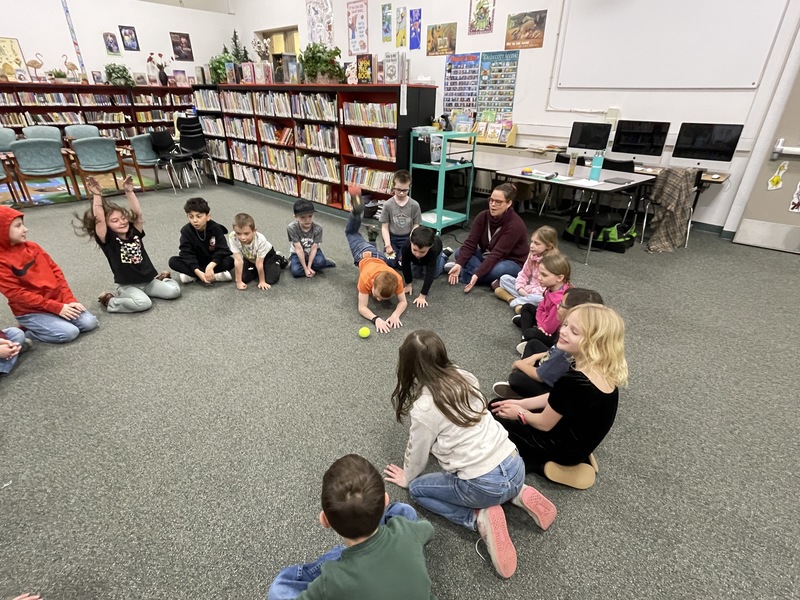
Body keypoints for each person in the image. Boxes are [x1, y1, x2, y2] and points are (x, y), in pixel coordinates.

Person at [384, 330, 556, 579]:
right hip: (515, 463)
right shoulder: (465, 376)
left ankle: (477, 517)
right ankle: (518, 491)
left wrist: (408, 477)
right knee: (498, 476)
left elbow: (417, 452)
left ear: (409, 367)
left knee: (418, 491)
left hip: (483, 484)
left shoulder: (423, 408)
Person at [491, 304, 628, 489]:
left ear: (594, 342)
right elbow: (554, 398)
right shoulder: (599, 370)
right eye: (565, 325)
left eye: (574, 331)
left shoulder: (573, 380)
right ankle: (578, 459)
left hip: (560, 448)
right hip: (578, 440)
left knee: (494, 415)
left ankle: (545, 465)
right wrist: (521, 403)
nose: (563, 332)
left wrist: (519, 413)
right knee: (504, 405)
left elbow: (543, 423)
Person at [267, 454, 434, 600]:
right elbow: (428, 530)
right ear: (385, 500)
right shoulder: (407, 530)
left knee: (278, 590)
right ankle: (368, 545)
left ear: (325, 520)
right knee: (404, 511)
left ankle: (348, 553)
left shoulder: (332, 580)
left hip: (345, 578)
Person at [77, 176, 180, 313]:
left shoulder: (135, 233)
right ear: (107, 226)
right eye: (115, 220)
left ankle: (163, 280)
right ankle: (110, 301)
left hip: (149, 281)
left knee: (174, 292)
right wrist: (97, 194)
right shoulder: (108, 240)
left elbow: (138, 214)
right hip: (128, 285)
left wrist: (129, 192)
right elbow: (99, 219)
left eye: (123, 218)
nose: (122, 222)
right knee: (143, 303)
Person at [0, 206, 97, 342]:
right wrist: (56, 308)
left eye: (23, 224)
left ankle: (51, 321)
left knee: (90, 323)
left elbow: (57, 272)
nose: (25, 229)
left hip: (58, 301)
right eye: (18, 226)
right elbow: (16, 294)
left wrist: (69, 299)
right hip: (31, 311)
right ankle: (29, 331)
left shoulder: (33, 247)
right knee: (69, 333)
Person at [492, 288, 604, 400]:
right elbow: (553, 350)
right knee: (533, 344)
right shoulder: (586, 338)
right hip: (554, 370)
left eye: (561, 304)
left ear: (573, 311)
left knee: (517, 378)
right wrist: (536, 356)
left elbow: (540, 376)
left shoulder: (566, 348)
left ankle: (520, 392)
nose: (557, 306)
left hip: (552, 391)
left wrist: (519, 364)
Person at [346, 186, 407, 334]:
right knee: (351, 232)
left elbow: (404, 302)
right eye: (378, 296)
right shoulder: (366, 279)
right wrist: (376, 319)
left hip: (380, 259)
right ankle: (357, 211)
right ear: (372, 283)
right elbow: (362, 308)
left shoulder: (397, 279)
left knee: (384, 257)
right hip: (364, 254)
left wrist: (395, 314)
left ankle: (373, 237)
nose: (378, 300)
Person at [446, 183, 529, 293]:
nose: (493, 205)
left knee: (499, 269)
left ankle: (466, 275)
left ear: (509, 203)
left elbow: (497, 254)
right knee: (459, 252)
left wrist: (477, 274)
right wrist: (459, 263)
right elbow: (470, 243)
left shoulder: (515, 224)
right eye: (491, 200)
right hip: (487, 255)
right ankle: (488, 278)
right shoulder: (482, 216)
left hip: (511, 261)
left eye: (498, 202)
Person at [168, 197, 234, 284]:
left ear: (208, 217)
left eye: (199, 216)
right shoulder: (186, 231)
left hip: (213, 262)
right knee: (173, 261)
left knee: (230, 261)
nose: (195, 220)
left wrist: (210, 266)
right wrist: (197, 271)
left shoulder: (216, 229)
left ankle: (192, 276)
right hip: (197, 262)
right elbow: (186, 253)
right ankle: (215, 276)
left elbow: (223, 250)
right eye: (191, 217)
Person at [494, 225, 559, 311]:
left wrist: (527, 291)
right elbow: (523, 273)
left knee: (540, 299)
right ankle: (523, 301)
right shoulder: (532, 255)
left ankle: (512, 300)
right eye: (532, 242)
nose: (531, 246)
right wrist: (520, 287)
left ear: (549, 246)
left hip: (540, 293)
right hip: (527, 290)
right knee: (504, 278)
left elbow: (546, 288)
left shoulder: (552, 262)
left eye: (537, 243)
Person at [515, 253, 573, 347]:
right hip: (544, 321)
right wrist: (540, 325)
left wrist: (541, 327)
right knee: (527, 307)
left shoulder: (559, 302)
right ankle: (526, 329)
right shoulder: (551, 288)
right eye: (539, 273)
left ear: (559, 278)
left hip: (554, 334)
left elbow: (549, 329)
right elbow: (540, 308)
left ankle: (525, 336)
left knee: (530, 333)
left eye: (544, 275)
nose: (539, 277)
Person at [229, 213, 284, 291]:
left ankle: (278, 259)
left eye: (246, 233)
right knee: (243, 278)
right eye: (238, 233)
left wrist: (262, 281)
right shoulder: (232, 237)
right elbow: (238, 260)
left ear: (254, 230)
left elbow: (259, 263)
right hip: (249, 257)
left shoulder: (260, 239)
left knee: (270, 280)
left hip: (267, 256)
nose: (242, 238)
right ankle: (256, 270)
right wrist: (239, 281)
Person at [400, 226, 449, 308]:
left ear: (429, 247)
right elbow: (405, 265)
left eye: (422, 251)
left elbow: (430, 273)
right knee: (415, 274)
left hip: (434, 255)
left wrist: (422, 295)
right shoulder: (405, 246)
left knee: (435, 274)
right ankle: (422, 257)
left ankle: (444, 255)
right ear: (411, 242)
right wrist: (408, 284)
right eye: (415, 250)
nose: (418, 254)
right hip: (417, 259)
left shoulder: (434, 249)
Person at [380, 170, 421, 266]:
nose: (401, 193)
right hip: (392, 238)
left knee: (403, 264)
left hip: (407, 238)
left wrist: (411, 241)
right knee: (390, 263)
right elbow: (384, 227)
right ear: (393, 187)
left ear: (409, 187)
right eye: (398, 190)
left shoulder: (414, 205)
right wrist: (388, 245)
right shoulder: (388, 205)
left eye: (405, 190)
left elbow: (416, 225)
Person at [287, 199, 336, 278]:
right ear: (295, 217)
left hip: (314, 251)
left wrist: (309, 267)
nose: (307, 220)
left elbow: (314, 248)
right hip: (297, 252)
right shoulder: (291, 228)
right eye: (303, 217)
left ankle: (324, 262)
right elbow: (299, 249)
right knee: (296, 272)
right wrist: (306, 269)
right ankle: (295, 263)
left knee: (320, 263)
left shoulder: (318, 228)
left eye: (310, 216)